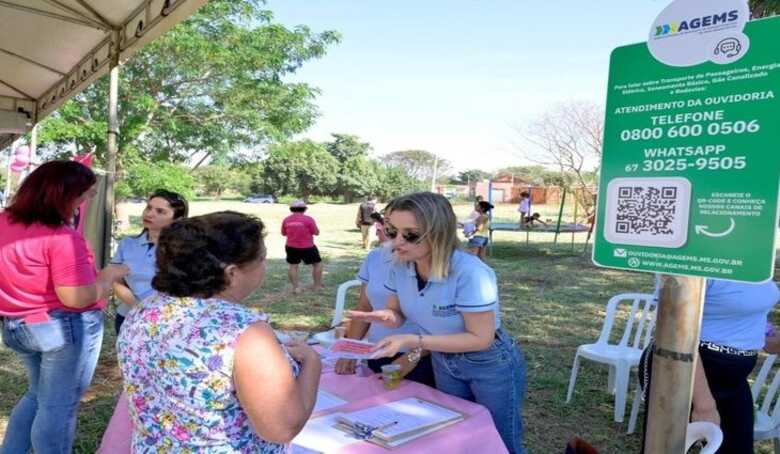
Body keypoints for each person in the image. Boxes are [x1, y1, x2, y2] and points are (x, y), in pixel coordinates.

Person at [117, 211, 321, 452]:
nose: (264, 267)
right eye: (262, 259)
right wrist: (312, 362)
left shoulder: (144, 310)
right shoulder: (245, 331)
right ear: (232, 273)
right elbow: (281, 428)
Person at [347, 192, 526, 454]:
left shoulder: (470, 272)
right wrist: (384, 316)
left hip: (488, 362)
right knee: (455, 433)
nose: (396, 241)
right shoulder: (401, 265)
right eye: (391, 230)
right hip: (443, 359)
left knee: (499, 438)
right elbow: (397, 313)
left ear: (437, 232)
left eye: (410, 234)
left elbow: (481, 337)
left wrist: (414, 341)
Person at [0, 160, 129, 454]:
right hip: (62, 328)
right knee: (59, 408)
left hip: (16, 325)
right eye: (82, 197)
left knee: (37, 396)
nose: (83, 204)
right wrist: (108, 277)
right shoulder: (60, 238)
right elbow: (75, 298)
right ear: (62, 196)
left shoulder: (3, 222)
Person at [640, 278, 780, 453]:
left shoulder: (755, 256)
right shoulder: (695, 253)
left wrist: (762, 334)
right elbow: (674, 326)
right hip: (685, 370)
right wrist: (703, 405)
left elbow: (745, 306)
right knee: (669, 448)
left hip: (734, 380)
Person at [335, 243, 436, 387]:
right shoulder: (375, 256)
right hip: (377, 353)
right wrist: (350, 351)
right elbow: (365, 306)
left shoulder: (431, 261)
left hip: (421, 359)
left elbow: (445, 326)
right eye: (389, 226)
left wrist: (413, 356)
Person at [110, 189, 188, 334]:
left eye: (160, 211)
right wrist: (137, 307)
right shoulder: (127, 243)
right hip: (128, 316)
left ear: (176, 219)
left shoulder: (184, 249)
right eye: (149, 207)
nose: (150, 214)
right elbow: (115, 280)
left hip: (167, 321)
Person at [282, 200, 324, 293]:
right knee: (317, 264)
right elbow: (316, 233)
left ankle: (296, 288)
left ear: (291, 209)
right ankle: (317, 286)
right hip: (307, 246)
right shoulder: (309, 219)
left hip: (291, 246)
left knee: (293, 266)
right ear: (304, 209)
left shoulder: (286, 219)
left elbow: (283, 233)